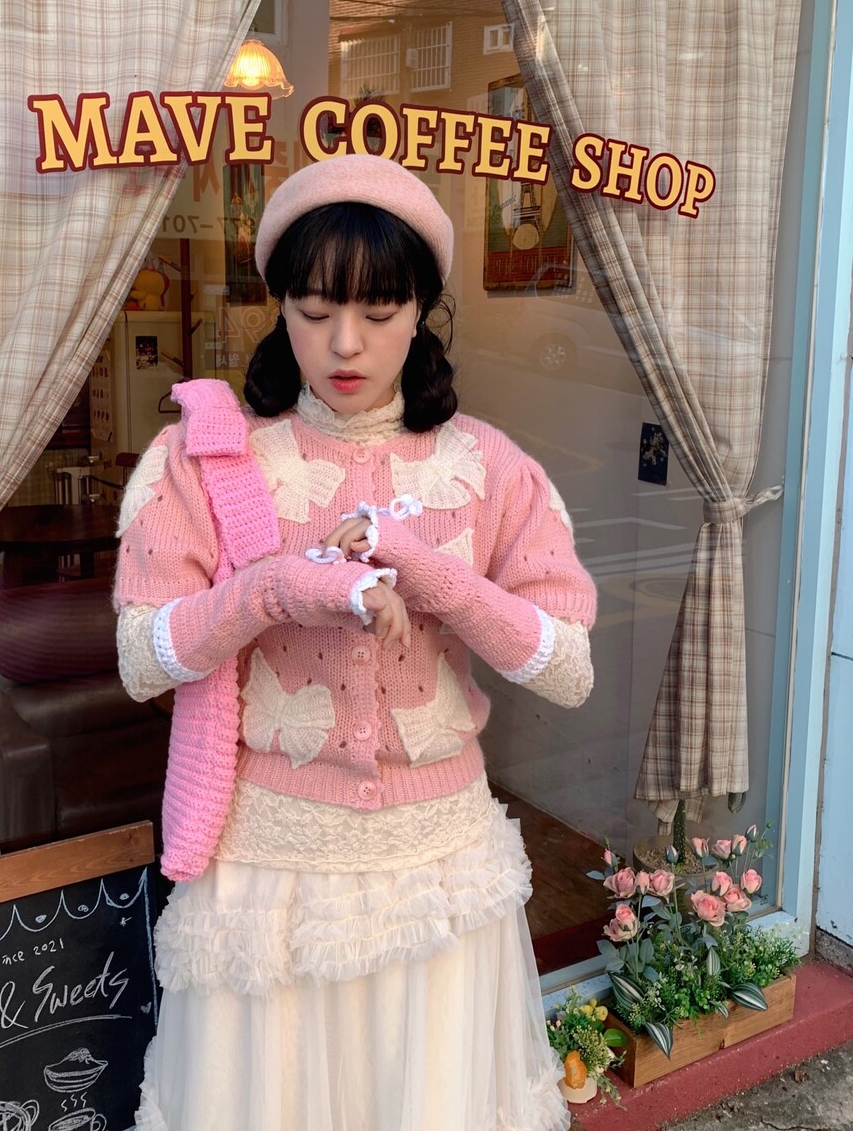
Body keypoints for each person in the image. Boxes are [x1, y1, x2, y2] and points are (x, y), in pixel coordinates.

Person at [113, 154, 597, 1131]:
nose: (344, 342)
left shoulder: (489, 467)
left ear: (421, 312)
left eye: (379, 311)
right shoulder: (206, 460)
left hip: (438, 871)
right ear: (280, 306)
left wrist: (429, 572)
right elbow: (141, 658)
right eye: (314, 308)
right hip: (270, 875)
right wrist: (273, 588)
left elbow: (566, 669)